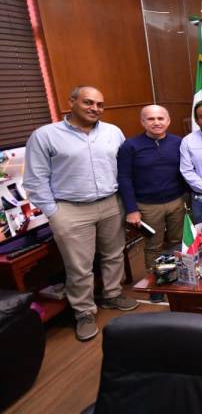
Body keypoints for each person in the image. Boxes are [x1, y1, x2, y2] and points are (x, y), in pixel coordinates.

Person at [24, 86, 139, 341]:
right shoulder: (45, 136)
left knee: (114, 254)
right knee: (79, 266)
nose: (95, 109)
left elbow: (123, 169)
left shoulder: (112, 132)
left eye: (100, 104)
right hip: (70, 209)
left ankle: (112, 294)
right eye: (88, 102)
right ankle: (84, 312)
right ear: (71, 102)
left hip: (110, 203)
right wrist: (54, 212)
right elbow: (35, 179)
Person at [117, 105, 186, 303]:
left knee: (176, 242)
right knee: (154, 246)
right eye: (150, 119)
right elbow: (124, 178)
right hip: (147, 205)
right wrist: (131, 209)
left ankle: (174, 277)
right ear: (143, 122)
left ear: (168, 121)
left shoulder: (178, 142)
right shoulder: (130, 146)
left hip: (176, 201)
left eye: (160, 118)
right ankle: (156, 284)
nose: (156, 122)